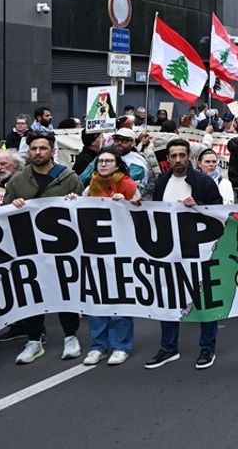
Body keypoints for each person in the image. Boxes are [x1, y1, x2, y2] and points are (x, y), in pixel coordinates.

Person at [4, 132, 85, 364]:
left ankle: (71, 336)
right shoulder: (17, 181)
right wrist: (13, 205)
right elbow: (3, 213)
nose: (38, 152)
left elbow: (82, 212)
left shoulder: (69, 178)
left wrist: (74, 202)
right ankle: (33, 340)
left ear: (52, 151)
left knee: (64, 291)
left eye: (42, 148)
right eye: (34, 149)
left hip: (61, 247)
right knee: (31, 292)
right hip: (28, 247)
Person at [144, 139, 224, 370]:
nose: (178, 160)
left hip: (199, 251)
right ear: (167, 159)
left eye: (182, 155)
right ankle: (168, 348)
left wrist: (199, 205)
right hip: (169, 252)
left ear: (188, 156)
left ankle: (207, 348)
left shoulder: (203, 182)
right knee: (168, 298)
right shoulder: (161, 182)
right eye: (173, 156)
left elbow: (219, 212)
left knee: (203, 299)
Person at [77, 148, 139, 366]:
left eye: (108, 161)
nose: (103, 164)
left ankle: (121, 345)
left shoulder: (129, 186)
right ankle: (98, 346)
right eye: (100, 161)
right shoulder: (89, 188)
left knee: (120, 297)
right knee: (97, 298)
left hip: (121, 251)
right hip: (95, 250)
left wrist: (128, 203)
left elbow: (142, 214)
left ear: (117, 165)